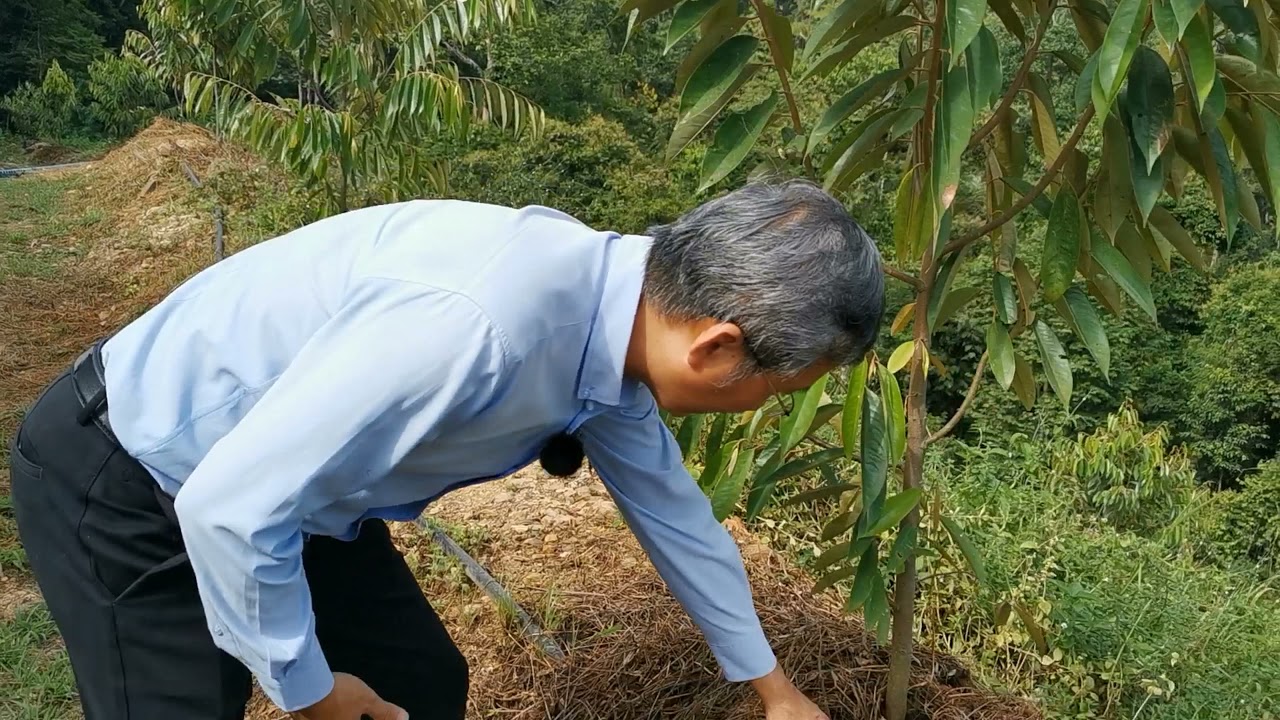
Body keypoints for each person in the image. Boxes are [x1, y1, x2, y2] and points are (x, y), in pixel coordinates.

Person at [8, 177, 885, 720]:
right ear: (720, 347)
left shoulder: (613, 323)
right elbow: (227, 509)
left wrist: (772, 688)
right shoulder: (483, 326)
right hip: (131, 473)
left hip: (296, 491)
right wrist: (310, 693)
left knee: (417, 686)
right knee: (187, 706)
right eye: (781, 388)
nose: (757, 408)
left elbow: (674, 515)